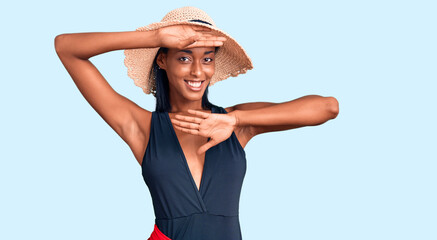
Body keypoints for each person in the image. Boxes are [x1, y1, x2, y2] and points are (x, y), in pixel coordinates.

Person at [55, 6, 339, 240]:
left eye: (207, 58)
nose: (197, 71)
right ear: (163, 61)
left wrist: (237, 119)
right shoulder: (142, 127)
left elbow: (327, 107)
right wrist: (155, 37)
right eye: (184, 57)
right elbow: (66, 48)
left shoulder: (236, 123)